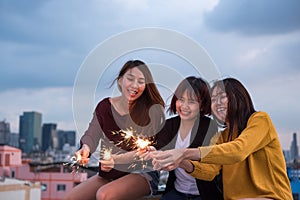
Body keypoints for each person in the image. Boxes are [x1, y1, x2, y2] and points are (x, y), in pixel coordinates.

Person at [151, 77, 293, 200]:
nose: (217, 103)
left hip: (270, 197)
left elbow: (238, 150)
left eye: (222, 97)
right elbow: (209, 172)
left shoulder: (260, 120)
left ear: (238, 97)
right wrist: (180, 161)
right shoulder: (222, 137)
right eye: (214, 99)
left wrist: (184, 153)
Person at [64, 60, 165, 200]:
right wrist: (85, 148)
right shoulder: (105, 107)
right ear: (119, 81)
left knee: (104, 195)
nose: (135, 85)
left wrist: (115, 160)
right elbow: (92, 134)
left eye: (141, 81)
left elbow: (144, 152)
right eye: (130, 79)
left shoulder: (151, 110)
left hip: (141, 173)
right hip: (110, 173)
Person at [140, 76, 223, 200]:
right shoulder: (169, 125)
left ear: (202, 105)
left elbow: (206, 161)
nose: (184, 106)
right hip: (177, 191)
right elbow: (159, 148)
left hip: (204, 194)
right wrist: (152, 151)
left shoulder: (209, 126)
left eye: (191, 101)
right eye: (181, 99)